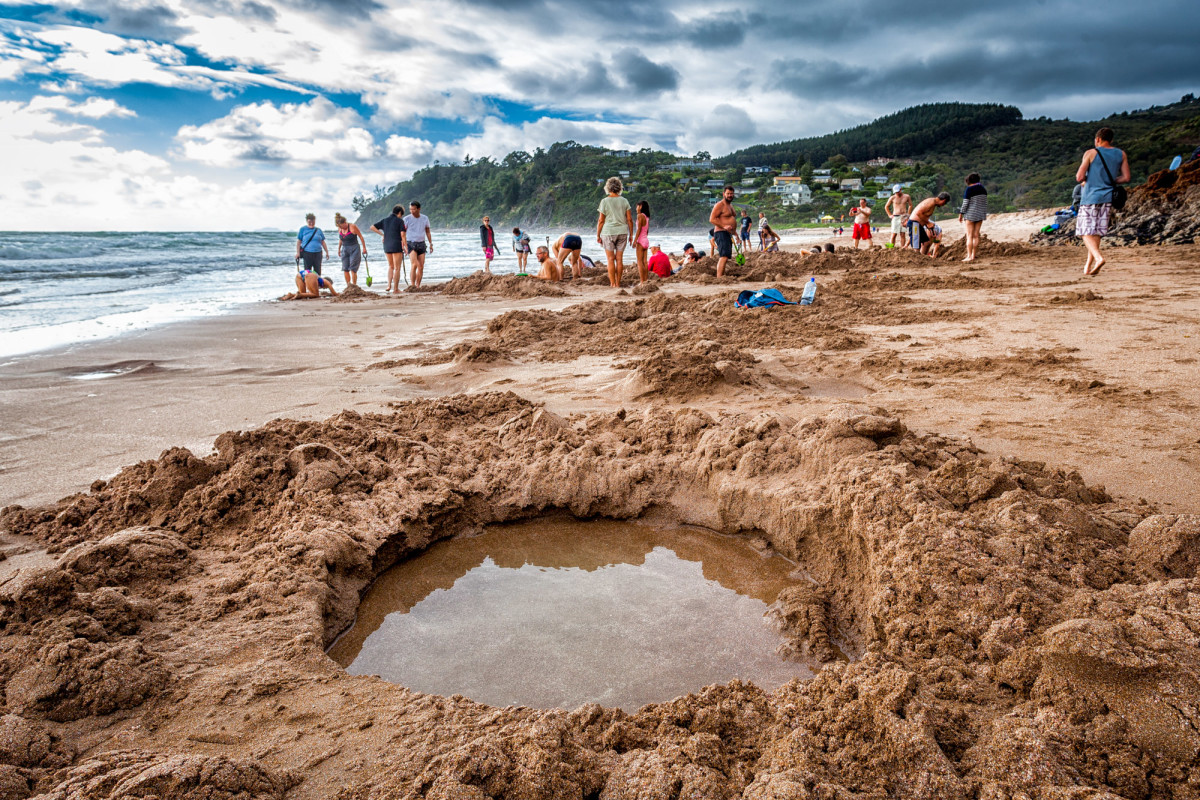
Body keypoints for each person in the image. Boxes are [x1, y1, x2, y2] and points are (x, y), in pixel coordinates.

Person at [1075, 127, 1130, 276]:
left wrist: (1088, 181)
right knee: (1096, 232)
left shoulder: (1091, 153)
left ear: (1098, 139)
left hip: (1090, 197)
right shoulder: (1121, 154)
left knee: (1084, 232)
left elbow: (1079, 177)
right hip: (1107, 197)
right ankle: (1087, 267)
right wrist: (1109, 180)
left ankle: (1099, 258)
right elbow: (1126, 178)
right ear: (1110, 140)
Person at [596, 176, 633, 287]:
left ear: (608, 188)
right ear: (619, 187)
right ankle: (618, 283)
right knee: (619, 259)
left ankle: (612, 283)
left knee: (610, 259)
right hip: (622, 232)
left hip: (608, 232)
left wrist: (598, 234)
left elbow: (601, 220)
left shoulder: (604, 201)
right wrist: (631, 234)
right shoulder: (624, 201)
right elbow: (629, 219)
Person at [370, 204, 407, 293]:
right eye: (401, 214)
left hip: (387, 245)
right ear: (399, 213)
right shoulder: (400, 221)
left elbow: (372, 227)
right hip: (396, 245)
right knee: (397, 268)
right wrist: (405, 246)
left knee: (391, 266)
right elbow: (402, 235)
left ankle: (389, 285)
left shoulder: (385, 220)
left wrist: (383, 234)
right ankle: (396, 289)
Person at [958, 174, 988, 262]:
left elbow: (965, 203)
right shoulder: (983, 189)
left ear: (969, 181)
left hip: (970, 215)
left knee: (969, 236)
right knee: (976, 235)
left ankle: (969, 256)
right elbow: (984, 203)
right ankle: (974, 256)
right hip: (980, 215)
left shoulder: (969, 189)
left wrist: (961, 214)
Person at [709, 185, 737, 277]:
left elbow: (732, 220)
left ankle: (721, 276)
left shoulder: (730, 205)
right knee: (723, 256)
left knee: (726, 256)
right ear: (723, 194)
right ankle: (719, 277)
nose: (730, 195)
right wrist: (724, 226)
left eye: (731, 194)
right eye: (728, 193)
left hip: (727, 233)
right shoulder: (720, 205)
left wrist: (736, 234)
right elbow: (712, 219)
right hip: (720, 232)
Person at [403, 201, 433, 288]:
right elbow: (403, 234)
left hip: (421, 244)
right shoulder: (406, 219)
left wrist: (431, 244)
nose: (412, 211)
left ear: (418, 209)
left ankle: (417, 286)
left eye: (413, 209)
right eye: (410, 209)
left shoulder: (425, 218)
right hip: (410, 243)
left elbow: (428, 232)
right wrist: (404, 245)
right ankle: (412, 285)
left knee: (421, 267)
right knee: (414, 264)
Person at [334, 213, 366, 287]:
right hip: (345, 249)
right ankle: (348, 286)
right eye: (340, 227)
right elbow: (341, 239)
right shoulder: (340, 228)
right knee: (345, 268)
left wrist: (364, 248)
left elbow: (361, 236)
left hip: (354, 248)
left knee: (353, 268)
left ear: (345, 222)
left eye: (342, 226)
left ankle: (354, 286)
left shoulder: (352, 227)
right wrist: (339, 249)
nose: (342, 228)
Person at [633, 200, 651, 284]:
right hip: (646, 240)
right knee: (644, 262)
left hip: (640, 240)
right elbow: (647, 231)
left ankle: (642, 281)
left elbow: (639, 229)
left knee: (639, 262)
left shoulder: (639, 216)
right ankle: (646, 280)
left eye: (637, 206)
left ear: (640, 207)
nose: (636, 208)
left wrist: (635, 240)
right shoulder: (647, 217)